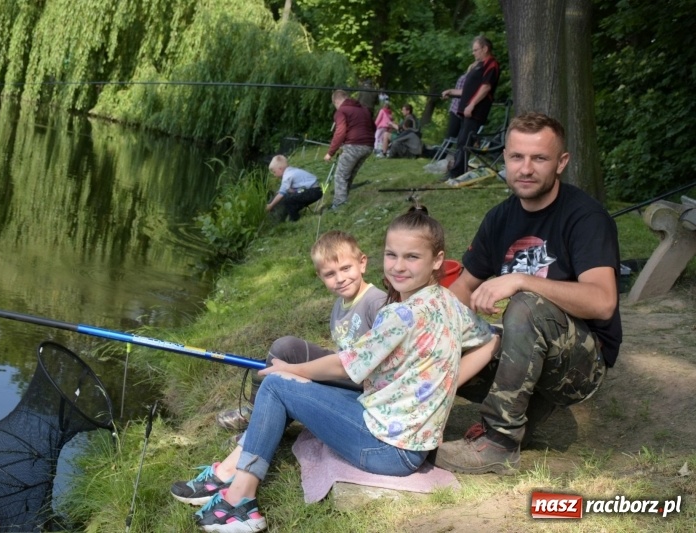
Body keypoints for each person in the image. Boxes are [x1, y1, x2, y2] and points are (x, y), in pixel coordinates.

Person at [171, 206, 500, 532]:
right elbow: (488, 340)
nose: (399, 266)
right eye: (392, 255)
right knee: (288, 382)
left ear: (437, 260)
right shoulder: (448, 302)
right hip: (409, 442)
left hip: (388, 450)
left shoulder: (399, 315)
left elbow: (345, 366)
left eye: (412, 257)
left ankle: (240, 503)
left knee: (276, 385)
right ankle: (230, 474)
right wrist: (450, 380)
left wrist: (294, 370)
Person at [435, 112, 622, 475]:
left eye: (539, 158)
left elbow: (602, 302)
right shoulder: (499, 218)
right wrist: (421, 327)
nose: (525, 168)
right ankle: (409, 409)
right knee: (439, 325)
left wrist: (522, 279)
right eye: (517, 157)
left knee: (525, 305)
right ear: (505, 158)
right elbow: (462, 289)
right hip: (525, 351)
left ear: (561, 163)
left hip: (580, 365)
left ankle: (499, 443)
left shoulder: (586, 217)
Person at [215, 230, 386, 431]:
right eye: (330, 274)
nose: (340, 278)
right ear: (320, 276)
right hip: (344, 372)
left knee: (288, 378)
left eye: (346, 268)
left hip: (366, 385)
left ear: (362, 263)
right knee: (285, 348)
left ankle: (262, 425)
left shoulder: (376, 302)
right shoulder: (339, 306)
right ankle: (257, 413)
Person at [447, 36, 500, 179]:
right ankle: (456, 171)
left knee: (465, 142)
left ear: (485, 48)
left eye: (476, 50)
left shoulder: (491, 64)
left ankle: (456, 173)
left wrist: (471, 104)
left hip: (475, 111)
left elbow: (486, 87)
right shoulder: (478, 65)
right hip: (466, 110)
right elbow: (469, 90)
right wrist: (452, 92)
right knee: (461, 141)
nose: (473, 53)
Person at [324, 89, 375, 210]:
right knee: (349, 174)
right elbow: (374, 127)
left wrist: (330, 153)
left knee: (340, 175)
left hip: (354, 146)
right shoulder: (364, 109)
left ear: (336, 101)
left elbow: (340, 132)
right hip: (368, 146)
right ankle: (343, 200)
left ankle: (339, 205)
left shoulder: (341, 111)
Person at [265, 155, 322, 222]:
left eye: (274, 172)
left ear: (280, 169)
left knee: (287, 200)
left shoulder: (287, 176)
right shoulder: (291, 170)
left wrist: (270, 205)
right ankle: (291, 215)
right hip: (316, 190)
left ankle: (294, 219)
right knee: (290, 197)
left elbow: (281, 194)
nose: (274, 175)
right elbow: (285, 190)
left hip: (313, 192)